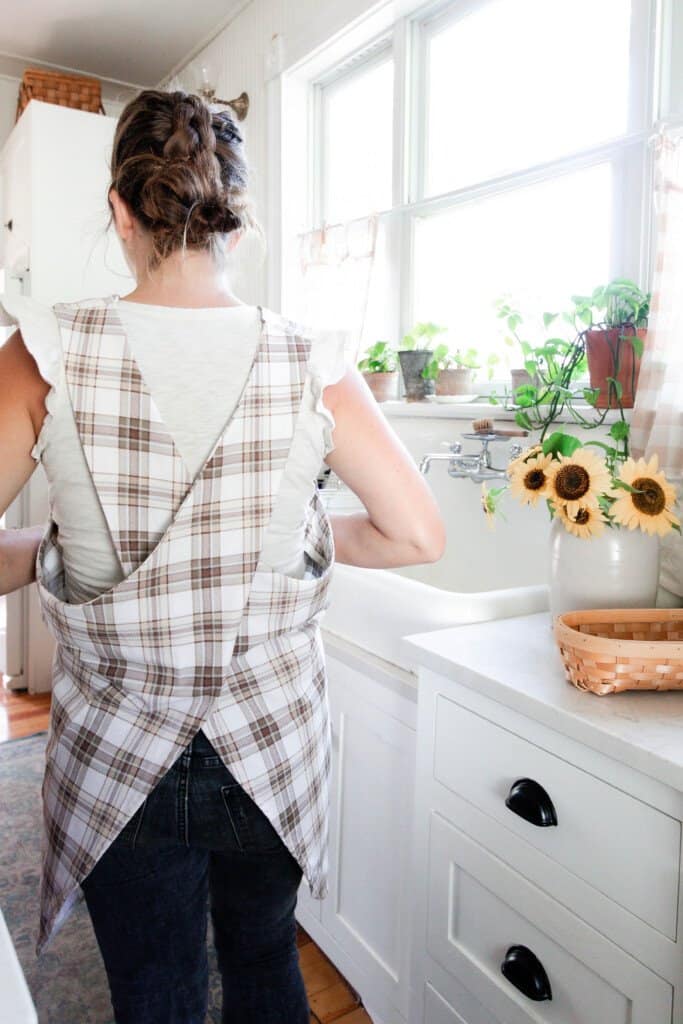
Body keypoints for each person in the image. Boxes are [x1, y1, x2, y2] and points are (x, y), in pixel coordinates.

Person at [0, 88, 446, 1023]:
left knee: (155, 992)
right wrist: (282, 543)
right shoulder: (310, 358)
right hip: (273, 744)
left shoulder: (44, 349)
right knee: (260, 963)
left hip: (118, 753)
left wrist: (50, 546)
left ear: (118, 209)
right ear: (234, 225)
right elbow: (416, 534)